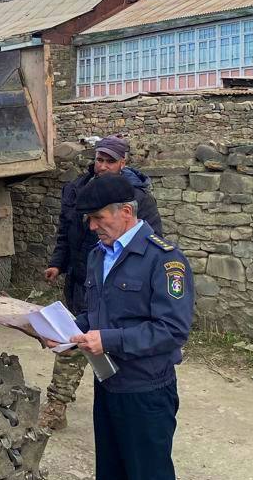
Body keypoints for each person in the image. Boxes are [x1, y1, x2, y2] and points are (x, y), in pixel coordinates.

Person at [55, 172, 193, 480]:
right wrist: (65, 331)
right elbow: (95, 316)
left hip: (147, 393)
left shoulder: (164, 262)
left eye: (98, 219)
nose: (93, 227)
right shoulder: (100, 258)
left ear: (126, 213)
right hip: (108, 387)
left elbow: (171, 331)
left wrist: (106, 338)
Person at [39, 135, 163, 430]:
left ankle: (121, 404)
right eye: (99, 159)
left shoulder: (137, 199)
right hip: (84, 281)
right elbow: (65, 231)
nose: (103, 166)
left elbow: (153, 243)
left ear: (123, 163)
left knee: (110, 343)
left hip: (119, 289)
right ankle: (57, 406)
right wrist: (58, 262)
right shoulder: (78, 190)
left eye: (110, 161)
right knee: (73, 340)